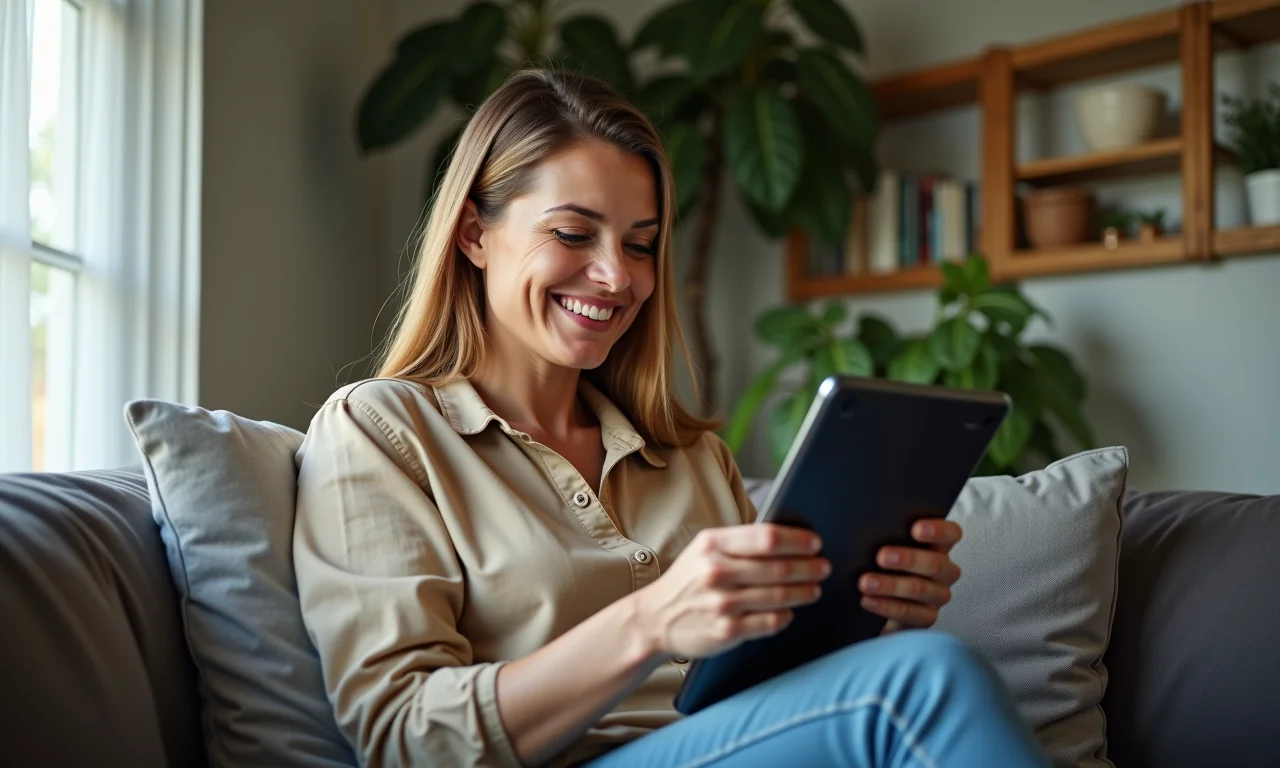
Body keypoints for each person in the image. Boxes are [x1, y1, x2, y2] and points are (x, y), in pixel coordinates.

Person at [292, 68, 1047, 768]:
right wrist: (649, 623)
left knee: (911, 668)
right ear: (473, 235)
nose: (617, 276)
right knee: (922, 682)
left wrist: (883, 617)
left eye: (641, 244)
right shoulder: (382, 432)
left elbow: (771, 699)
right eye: (573, 233)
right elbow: (399, 734)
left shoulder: (690, 460)